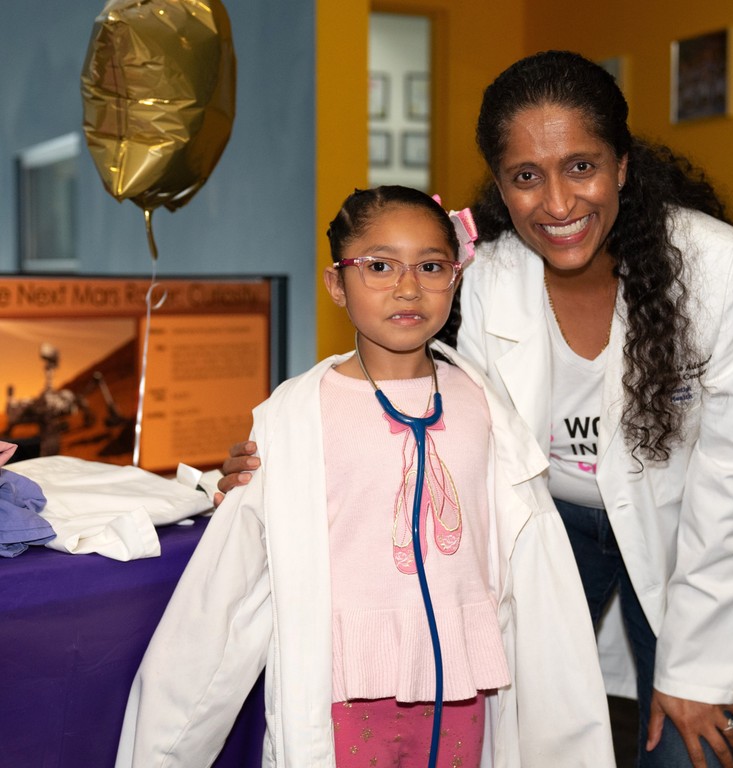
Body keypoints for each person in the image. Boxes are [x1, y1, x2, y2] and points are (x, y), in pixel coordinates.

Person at [221, 51, 733, 768]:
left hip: (690, 532)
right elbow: (416, 407)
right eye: (527, 177)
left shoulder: (720, 271)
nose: (558, 204)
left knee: (695, 743)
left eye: (581, 167)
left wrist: (697, 675)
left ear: (623, 164)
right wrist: (279, 464)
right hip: (547, 527)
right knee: (536, 738)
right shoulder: (487, 279)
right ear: (501, 187)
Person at [118, 186, 616, 768]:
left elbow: (529, 561)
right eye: (378, 266)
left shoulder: (486, 405)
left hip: (465, 690)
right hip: (346, 695)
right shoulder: (298, 413)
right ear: (336, 284)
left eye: (431, 266)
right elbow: (226, 593)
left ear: (456, 278)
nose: (408, 287)